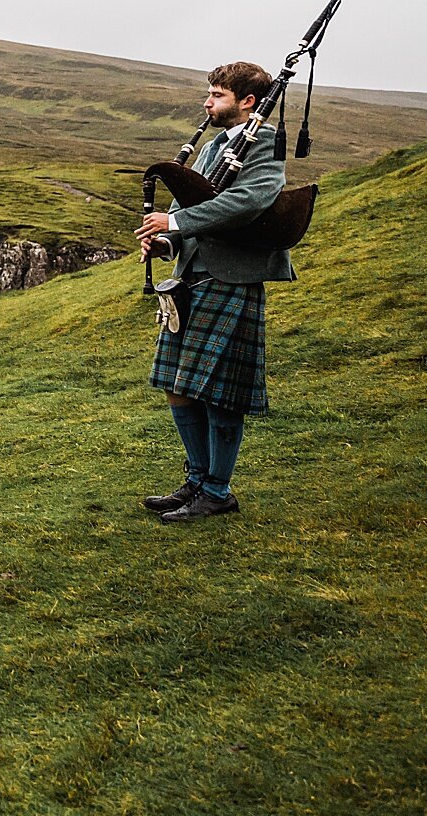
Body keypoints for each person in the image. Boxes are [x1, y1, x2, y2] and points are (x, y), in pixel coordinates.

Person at [135, 62, 296, 523]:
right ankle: (197, 480)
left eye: (217, 95)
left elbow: (249, 201)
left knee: (219, 392)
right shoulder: (211, 149)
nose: (207, 103)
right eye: (208, 93)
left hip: (232, 278)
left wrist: (177, 223)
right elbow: (183, 205)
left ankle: (218, 491)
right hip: (190, 278)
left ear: (247, 101)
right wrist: (164, 239)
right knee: (178, 386)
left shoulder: (264, 143)